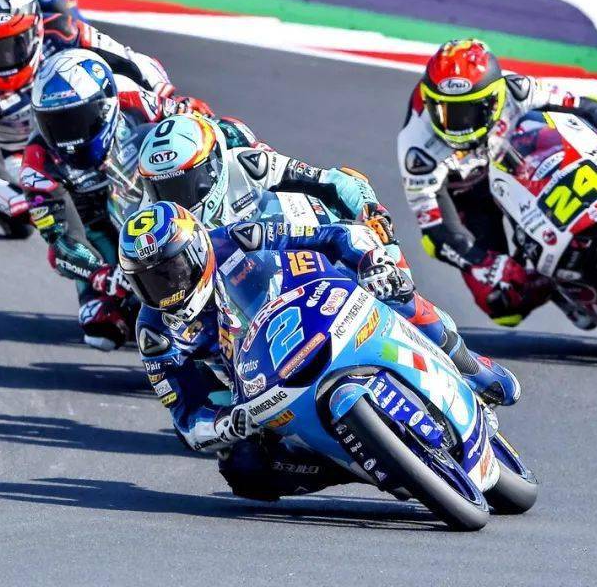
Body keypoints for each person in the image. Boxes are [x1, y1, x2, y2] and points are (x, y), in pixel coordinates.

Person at [111, 201, 522, 500]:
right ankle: (359, 464)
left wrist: (371, 262)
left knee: (397, 291)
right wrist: (225, 425)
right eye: (151, 282)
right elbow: (186, 419)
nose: (168, 288)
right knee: (243, 470)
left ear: (198, 250)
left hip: (325, 310)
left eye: (173, 271)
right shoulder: (154, 332)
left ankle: (470, 366)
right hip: (261, 386)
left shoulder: (240, 239)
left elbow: (334, 235)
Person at [397, 38, 597, 326]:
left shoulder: (517, 89)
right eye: (444, 111)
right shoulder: (417, 148)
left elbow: (585, 106)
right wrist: (483, 262)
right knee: (502, 306)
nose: (456, 124)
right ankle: (557, 280)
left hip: (521, 158)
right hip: (470, 191)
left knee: (568, 133)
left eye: (468, 112)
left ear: (494, 99)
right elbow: (435, 229)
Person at [19, 48, 209, 350]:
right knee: (100, 329)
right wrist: (102, 274)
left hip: (159, 197)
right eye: (54, 124)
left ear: (105, 107)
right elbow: (60, 243)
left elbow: (200, 122)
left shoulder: (136, 103)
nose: (67, 136)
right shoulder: (36, 164)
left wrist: (197, 116)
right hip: (100, 231)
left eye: (75, 121)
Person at [0, 0, 175, 224]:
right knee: (63, 214)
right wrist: (28, 205)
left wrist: (167, 98)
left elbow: (133, 62)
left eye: (12, 46)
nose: (4, 59)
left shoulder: (63, 31)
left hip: (83, 131)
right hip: (18, 154)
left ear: (36, 32)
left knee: (122, 85)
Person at [136, 112, 396, 237]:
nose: (175, 200)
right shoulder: (150, 216)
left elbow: (337, 181)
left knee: (381, 238)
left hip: (296, 249)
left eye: (183, 185)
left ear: (213, 165)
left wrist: (371, 210)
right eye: (162, 190)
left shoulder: (248, 164)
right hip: (237, 302)